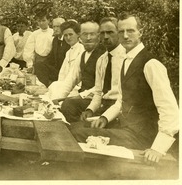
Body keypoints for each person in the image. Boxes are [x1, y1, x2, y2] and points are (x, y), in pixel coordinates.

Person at [70, 14, 179, 164]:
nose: (125, 36)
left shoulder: (151, 64)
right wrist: (104, 118)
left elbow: (170, 110)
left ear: (141, 32)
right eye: (121, 32)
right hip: (126, 128)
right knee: (75, 127)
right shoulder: (126, 61)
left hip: (143, 136)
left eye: (131, 31)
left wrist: (158, 148)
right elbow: (121, 100)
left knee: (77, 134)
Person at [49, 21, 106, 122]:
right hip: (84, 97)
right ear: (80, 36)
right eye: (85, 34)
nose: (88, 38)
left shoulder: (103, 55)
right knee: (56, 100)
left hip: (98, 98)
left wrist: (80, 96)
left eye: (92, 34)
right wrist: (59, 99)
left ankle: (75, 130)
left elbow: (102, 86)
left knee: (69, 105)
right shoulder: (83, 55)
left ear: (98, 36)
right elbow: (71, 79)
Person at [80, 17, 126, 121]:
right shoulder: (101, 60)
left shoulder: (126, 58)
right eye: (102, 33)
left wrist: (105, 117)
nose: (105, 37)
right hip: (104, 105)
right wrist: (90, 110)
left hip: (120, 109)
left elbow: (124, 98)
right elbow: (98, 92)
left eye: (110, 32)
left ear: (119, 33)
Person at [34, 17, 70, 87]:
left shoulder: (68, 40)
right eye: (54, 26)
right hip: (56, 70)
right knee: (38, 65)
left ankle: (45, 86)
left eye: (58, 26)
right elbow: (51, 57)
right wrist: (40, 65)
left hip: (65, 71)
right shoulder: (55, 40)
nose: (55, 29)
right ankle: (44, 86)